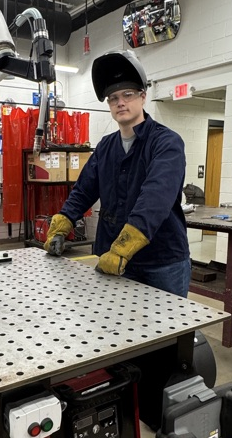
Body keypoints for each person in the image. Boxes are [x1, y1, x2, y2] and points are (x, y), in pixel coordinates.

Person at [44, 49, 191, 297]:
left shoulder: (167, 143)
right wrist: (61, 224)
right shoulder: (105, 146)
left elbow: (155, 199)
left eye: (128, 94)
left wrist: (123, 249)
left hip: (160, 262)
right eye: (113, 98)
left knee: (168, 333)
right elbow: (83, 190)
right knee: (114, 329)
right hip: (112, 258)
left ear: (143, 97)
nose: (120, 102)